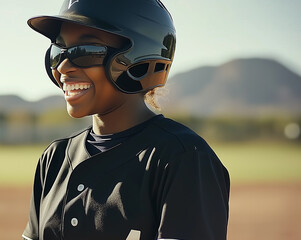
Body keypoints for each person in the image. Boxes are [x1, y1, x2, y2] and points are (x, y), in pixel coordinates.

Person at [22, 0, 230, 239]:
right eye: (59, 51)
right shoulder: (53, 159)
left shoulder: (183, 159)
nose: (63, 67)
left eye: (85, 51)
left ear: (138, 58)